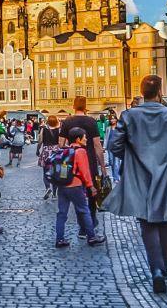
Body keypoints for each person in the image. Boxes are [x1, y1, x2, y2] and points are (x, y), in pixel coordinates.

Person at [103, 75, 167, 294]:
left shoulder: (129, 115)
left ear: (142, 92)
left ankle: (156, 270)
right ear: (160, 91)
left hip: (140, 174)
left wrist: (132, 156)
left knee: (146, 221)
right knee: (165, 220)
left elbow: (114, 145)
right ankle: (164, 268)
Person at [61, 96, 106, 237]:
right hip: (90, 161)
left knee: (78, 194)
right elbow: (98, 146)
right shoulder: (91, 121)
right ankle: (91, 221)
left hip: (73, 163)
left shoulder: (67, 122)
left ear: (73, 106)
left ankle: (82, 227)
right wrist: (103, 167)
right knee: (91, 193)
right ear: (85, 106)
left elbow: (61, 144)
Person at [54, 128, 106, 248]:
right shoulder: (81, 151)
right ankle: (92, 237)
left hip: (63, 186)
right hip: (76, 186)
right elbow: (85, 171)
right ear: (78, 139)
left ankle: (59, 239)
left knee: (62, 213)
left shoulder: (65, 150)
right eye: (85, 137)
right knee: (84, 211)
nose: (87, 139)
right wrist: (91, 186)